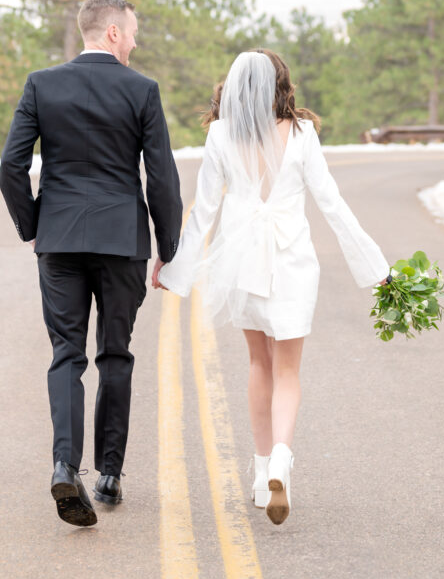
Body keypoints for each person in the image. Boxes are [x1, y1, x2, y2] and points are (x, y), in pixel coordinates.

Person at [153, 49, 388, 526]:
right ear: (282, 84)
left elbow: (203, 213)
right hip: (292, 263)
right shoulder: (302, 134)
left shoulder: (220, 134)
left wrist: (173, 269)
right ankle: (281, 456)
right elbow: (333, 205)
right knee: (288, 371)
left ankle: (262, 477)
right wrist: (375, 267)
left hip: (242, 263)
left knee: (258, 363)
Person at [0, 0, 182, 527]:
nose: (135, 42)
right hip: (122, 240)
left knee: (66, 356)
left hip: (59, 239)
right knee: (115, 354)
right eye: (131, 33)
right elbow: (162, 177)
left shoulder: (41, 84)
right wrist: (168, 250)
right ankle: (109, 474)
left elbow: (12, 166)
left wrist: (36, 225)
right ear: (110, 34)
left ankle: (64, 464)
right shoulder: (142, 90)